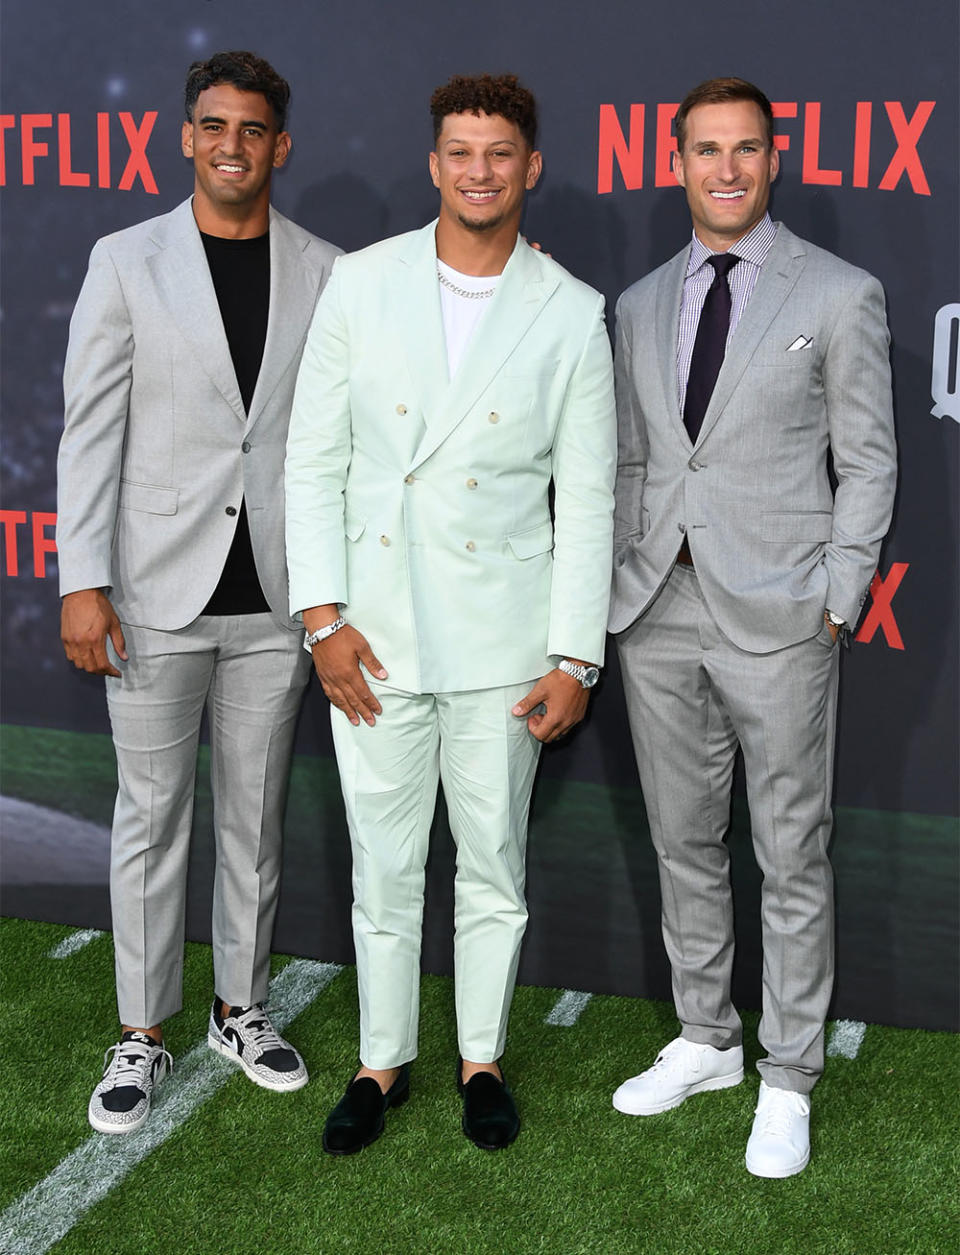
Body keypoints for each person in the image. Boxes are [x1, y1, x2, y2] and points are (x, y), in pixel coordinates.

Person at [285, 73, 616, 1153]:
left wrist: (577, 656)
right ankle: (381, 1062)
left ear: (531, 167)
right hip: (370, 637)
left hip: (504, 642)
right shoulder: (361, 283)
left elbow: (590, 494)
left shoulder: (570, 311)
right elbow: (313, 460)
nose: (480, 170)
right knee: (382, 867)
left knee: (493, 867)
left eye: (499, 152)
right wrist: (324, 624)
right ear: (434, 163)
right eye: (460, 151)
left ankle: (481, 1058)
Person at [608, 76, 896, 1177]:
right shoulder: (636, 303)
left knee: (789, 851)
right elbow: (640, 459)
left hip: (781, 612)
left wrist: (839, 591)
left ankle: (788, 1074)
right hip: (658, 609)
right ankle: (704, 1037)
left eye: (745, 150)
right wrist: (618, 591)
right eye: (705, 149)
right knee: (683, 840)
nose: (725, 168)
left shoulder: (839, 293)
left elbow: (869, 459)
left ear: (774, 161)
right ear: (675, 162)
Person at [56, 50, 341, 1134]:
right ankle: (141, 1031)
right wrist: (83, 580)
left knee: (254, 823)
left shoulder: (329, 270)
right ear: (186, 136)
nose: (233, 145)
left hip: (277, 603)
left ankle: (240, 1008)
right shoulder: (125, 261)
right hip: (151, 594)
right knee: (151, 820)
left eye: (254, 128)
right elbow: (91, 434)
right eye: (214, 125)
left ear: (281, 143)